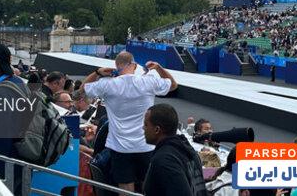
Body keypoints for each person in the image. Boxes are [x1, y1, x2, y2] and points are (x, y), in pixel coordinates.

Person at [82, 52, 177, 193]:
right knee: (149, 188)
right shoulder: (148, 82)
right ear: (134, 65)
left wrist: (97, 72)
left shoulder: (107, 84)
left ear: (116, 66)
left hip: (120, 147)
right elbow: (173, 85)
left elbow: (82, 90)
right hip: (146, 146)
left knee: (125, 190)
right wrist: (158, 68)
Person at [0, 43, 34, 193]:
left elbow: (2, 134)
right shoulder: (16, 82)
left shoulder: (3, 91)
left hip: (7, 165)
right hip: (20, 160)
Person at [142, 103, 207, 196]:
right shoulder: (187, 149)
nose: (143, 128)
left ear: (157, 130)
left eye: (146, 124)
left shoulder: (164, 160)